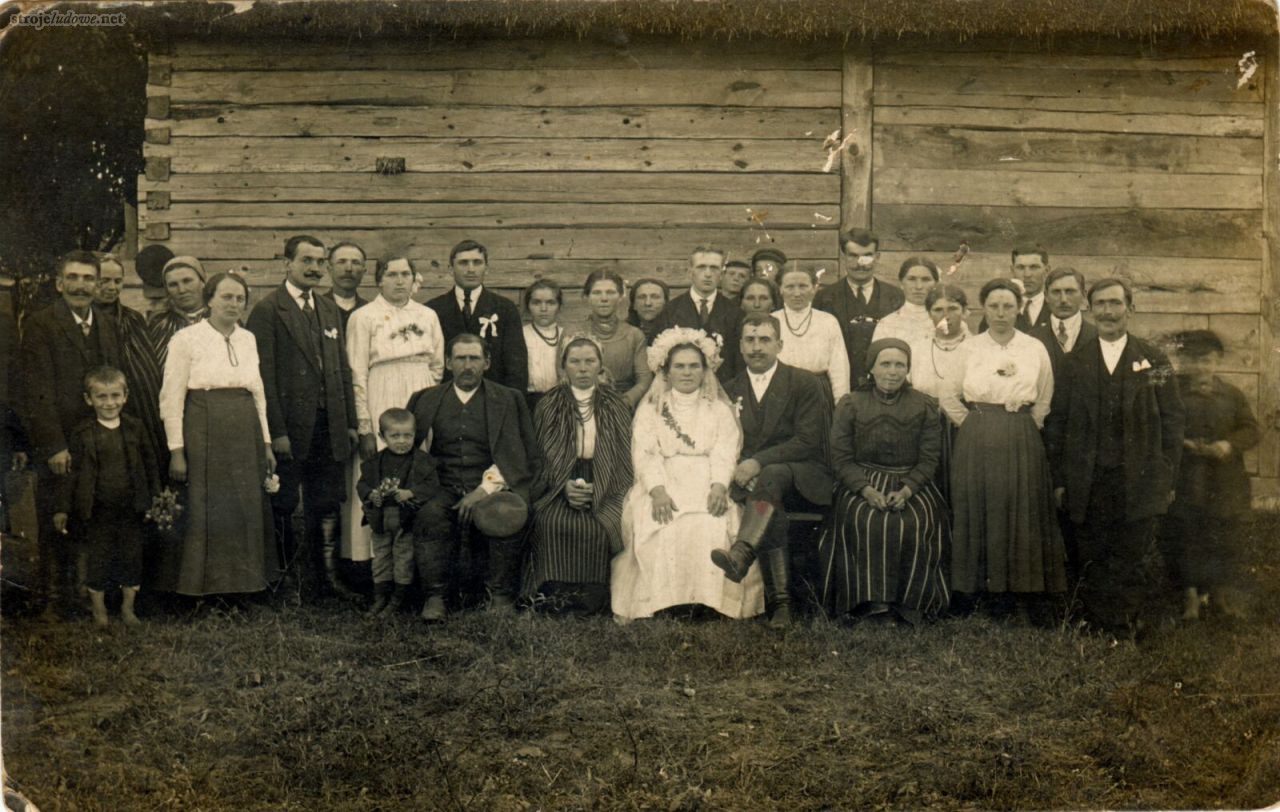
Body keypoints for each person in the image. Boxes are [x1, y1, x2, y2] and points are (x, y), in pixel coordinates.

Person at [1046, 278, 1185, 636]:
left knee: (1131, 549)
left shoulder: (1154, 359)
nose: (1107, 311)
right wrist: (1060, 479)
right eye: (1100, 304)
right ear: (1089, 310)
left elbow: (1172, 420)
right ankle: (1099, 622)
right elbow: (1058, 422)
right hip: (1088, 476)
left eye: (1115, 303)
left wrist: (1167, 476)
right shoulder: (1074, 362)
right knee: (1091, 548)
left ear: (1130, 308)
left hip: (1138, 475)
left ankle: (1125, 621)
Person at [611, 327, 764, 621]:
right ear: (666, 371)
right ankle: (667, 602)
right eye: (679, 366)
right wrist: (657, 491)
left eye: (694, 366)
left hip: (708, 479)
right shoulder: (653, 408)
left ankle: (709, 602)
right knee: (665, 525)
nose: (687, 372)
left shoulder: (718, 408)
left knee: (711, 523)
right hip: (664, 480)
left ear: (705, 370)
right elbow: (645, 453)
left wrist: (719, 486)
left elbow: (724, 450)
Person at [247, 235, 359, 602]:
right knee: (284, 503)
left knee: (326, 502)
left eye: (319, 261)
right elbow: (264, 377)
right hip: (291, 428)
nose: (314, 268)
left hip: (329, 425)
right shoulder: (268, 310)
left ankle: (325, 581)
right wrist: (276, 432)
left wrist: (351, 424)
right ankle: (285, 582)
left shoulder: (327, 308)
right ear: (287, 264)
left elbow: (342, 370)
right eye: (306, 260)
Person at [949, 279, 1065, 617]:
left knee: (1021, 504)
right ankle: (978, 590)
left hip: (1021, 433)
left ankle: (1022, 591)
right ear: (983, 309)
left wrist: (1027, 426)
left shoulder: (1034, 347)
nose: (1001, 313)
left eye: (1008, 306)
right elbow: (948, 395)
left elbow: (1044, 396)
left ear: (1018, 309)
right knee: (978, 504)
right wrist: (973, 423)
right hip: (978, 432)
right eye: (994, 306)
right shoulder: (969, 347)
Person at [158, 272, 278, 597]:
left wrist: (266, 441)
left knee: (245, 506)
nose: (234, 304)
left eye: (240, 298)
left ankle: (245, 586)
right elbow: (171, 397)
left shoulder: (248, 338)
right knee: (208, 508)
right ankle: (204, 589)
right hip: (204, 428)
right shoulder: (186, 339)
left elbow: (258, 393)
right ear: (209, 298)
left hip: (245, 431)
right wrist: (176, 449)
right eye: (226, 297)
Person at [407, 333, 541, 621]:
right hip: (442, 486)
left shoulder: (507, 399)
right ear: (447, 363)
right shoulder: (425, 400)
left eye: (474, 358)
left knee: (505, 512)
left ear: (487, 363)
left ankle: (500, 594)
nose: (467, 366)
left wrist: (482, 491)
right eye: (460, 358)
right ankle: (435, 595)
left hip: (491, 487)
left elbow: (517, 455)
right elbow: (411, 454)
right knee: (429, 514)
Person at [18, 250, 121, 617]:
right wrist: (53, 445)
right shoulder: (42, 324)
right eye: (73, 278)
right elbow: (37, 390)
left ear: (98, 283)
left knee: (90, 513)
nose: (81, 286)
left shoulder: (107, 324)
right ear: (60, 283)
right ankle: (52, 599)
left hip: (96, 439)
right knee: (56, 516)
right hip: (60, 440)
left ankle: (87, 592)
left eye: (88, 278)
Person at [819, 339, 950, 624]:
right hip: (862, 478)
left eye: (900, 365)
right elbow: (840, 457)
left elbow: (929, 458)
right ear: (871, 368)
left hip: (911, 482)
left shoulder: (924, 404)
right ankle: (868, 601)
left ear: (908, 369)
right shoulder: (851, 403)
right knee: (864, 518)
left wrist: (908, 489)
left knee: (915, 520)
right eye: (885, 364)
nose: (892, 371)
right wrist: (864, 489)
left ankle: (910, 604)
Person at [714, 316, 833, 627]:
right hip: (754, 482)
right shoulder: (729, 389)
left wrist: (759, 462)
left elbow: (808, 440)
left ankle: (742, 553)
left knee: (772, 477)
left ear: (780, 345)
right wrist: (748, 466)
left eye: (765, 340)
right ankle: (782, 604)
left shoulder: (805, 382)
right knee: (770, 499)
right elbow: (726, 440)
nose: (757, 347)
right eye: (750, 340)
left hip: (801, 475)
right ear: (740, 346)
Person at [345, 256, 445, 564]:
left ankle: (418, 560)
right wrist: (364, 425)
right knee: (381, 466)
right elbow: (356, 372)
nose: (399, 280)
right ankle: (377, 561)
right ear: (379, 280)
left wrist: (425, 394)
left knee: (418, 463)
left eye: (406, 274)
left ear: (414, 279)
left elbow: (438, 365)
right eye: (391, 274)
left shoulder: (428, 315)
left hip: (420, 388)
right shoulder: (364, 317)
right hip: (381, 389)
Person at [526, 337, 634, 615]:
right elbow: (541, 454)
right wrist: (563, 486)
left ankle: (591, 600)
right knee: (550, 521)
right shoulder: (549, 403)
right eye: (575, 361)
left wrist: (601, 487)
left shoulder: (616, 404)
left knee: (602, 525)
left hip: (606, 479)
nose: (583, 368)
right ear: (563, 367)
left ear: (601, 366)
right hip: (558, 481)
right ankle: (553, 598)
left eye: (590, 361)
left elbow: (623, 456)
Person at [1161, 330, 1258, 621]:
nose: (1201, 367)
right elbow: (1161, 426)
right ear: (1183, 362)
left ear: (1217, 361)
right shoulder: (1172, 393)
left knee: (1223, 533)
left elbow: (1250, 428)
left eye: (1206, 360)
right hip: (1187, 477)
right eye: (1193, 361)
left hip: (1225, 480)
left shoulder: (1231, 394)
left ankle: (1219, 593)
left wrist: (1228, 444)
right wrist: (1183, 442)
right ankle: (1190, 595)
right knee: (1187, 533)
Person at [53, 366, 160, 626]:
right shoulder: (82, 433)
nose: (109, 403)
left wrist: (156, 499)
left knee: (131, 559)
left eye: (115, 396)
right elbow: (72, 474)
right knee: (98, 560)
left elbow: (150, 464)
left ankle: (127, 609)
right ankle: (99, 611)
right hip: (97, 510)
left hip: (131, 509)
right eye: (101, 397)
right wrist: (62, 509)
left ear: (125, 396)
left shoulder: (135, 427)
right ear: (89, 399)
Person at [357, 408, 438, 619]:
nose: (402, 441)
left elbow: (432, 485)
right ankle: (380, 598)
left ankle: (398, 600)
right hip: (380, 521)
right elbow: (362, 484)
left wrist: (411, 492)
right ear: (382, 437)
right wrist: (370, 494)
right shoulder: (374, 462)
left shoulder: (422, 461)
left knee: (403, 559)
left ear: (414, 435)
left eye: (407, 436)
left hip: (405, 521)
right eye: (395, 436)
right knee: (381, 558)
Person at [426, 240, 528, 391]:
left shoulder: (505, 308)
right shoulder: (433, 310)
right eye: (463, 263)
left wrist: (511, 404)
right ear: (450, 269)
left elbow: (516, 366)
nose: (471, 269)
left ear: (486, 268)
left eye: (477, 262)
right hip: (447, 400)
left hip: (493, 398)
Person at [93, 253, 164, 459]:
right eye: (104, 281)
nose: (112, 287)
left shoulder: (133, 319)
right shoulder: (86, 321)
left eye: (117, 281)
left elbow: (147, 370)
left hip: (136, 404)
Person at [813, 229, 904, 388]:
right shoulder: (824, 298)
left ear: (877, 257)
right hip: (841, 388)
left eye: (867, 256)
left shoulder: (896, 297)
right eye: (853, 256)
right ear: (844, 257)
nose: (860, 263)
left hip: (886, 390)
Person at [907, 285, 973, 503]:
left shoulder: (977, 347)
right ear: (929, 314)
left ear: (964, 311)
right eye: (938, 310)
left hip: (964, 431)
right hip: (923, 431)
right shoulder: (917, 348)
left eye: (953, 308)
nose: (946, 315)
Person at [655, 247, 745, 384]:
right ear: (690, 271)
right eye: (701, 267)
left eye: (714, 268)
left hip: (723, 390)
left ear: (721, 273)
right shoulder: (670, 310)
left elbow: (739, 363)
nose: (708, 274)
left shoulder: (736, 313)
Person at [773, 265, 850, 402]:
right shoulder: (771, 320)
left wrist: (841, 405)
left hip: (818, 392)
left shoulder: (828, 321)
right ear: (780, 289)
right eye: (790, 287)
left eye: (803, 286)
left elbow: (839, 368)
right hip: (780, 391)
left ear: (815, 288)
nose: (797, 293)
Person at [581, 270, 653, 409]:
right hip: (582, 406)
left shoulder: (633, 334)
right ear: (586, 297)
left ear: (620, 297)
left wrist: (624, 401)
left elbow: (644, 380)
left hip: (623, 406)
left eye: (610, 292)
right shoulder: (573, 332)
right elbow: (563, 375)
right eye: (597, 293)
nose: (604, 298)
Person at [1028, 267, 1097, 379]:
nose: (1063, 299)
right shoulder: (1032, 338)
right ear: (1046, 296)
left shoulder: (1098, 335)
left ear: (1084, 295)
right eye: (1056, 292)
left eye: (1070, 291)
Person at [147, 255, 207, 370]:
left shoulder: (221, 320)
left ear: (202, 282)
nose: (182, 290)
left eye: (187, 281)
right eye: (173, 285)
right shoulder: (158, 324)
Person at [872, 257, 941, 346]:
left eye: (925, 279)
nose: (918, 286)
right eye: (911, 279)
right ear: (901, 283)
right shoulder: (887, 324)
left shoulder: (946, 322)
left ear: (935, 284)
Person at [522, 279, 568, 411]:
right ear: (528, 306)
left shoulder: (566, 335)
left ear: (559, 306)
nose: (543, 309)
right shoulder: (521, 335)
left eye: (550, 303)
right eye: (536, 303)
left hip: (561, 402)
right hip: (530, 402)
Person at [325, 241, 370, 330]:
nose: (349, 269)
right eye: (341, 262)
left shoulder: (370, 310)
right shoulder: (317, 307)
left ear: (363, 272)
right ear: (330, 270)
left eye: (355, 262)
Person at [625, 277, 669, 345]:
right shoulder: (621, 334)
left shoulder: (676, 333)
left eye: (655, 297)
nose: (647, 303)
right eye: (642, 297)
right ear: (634, 304)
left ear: (665, 303)